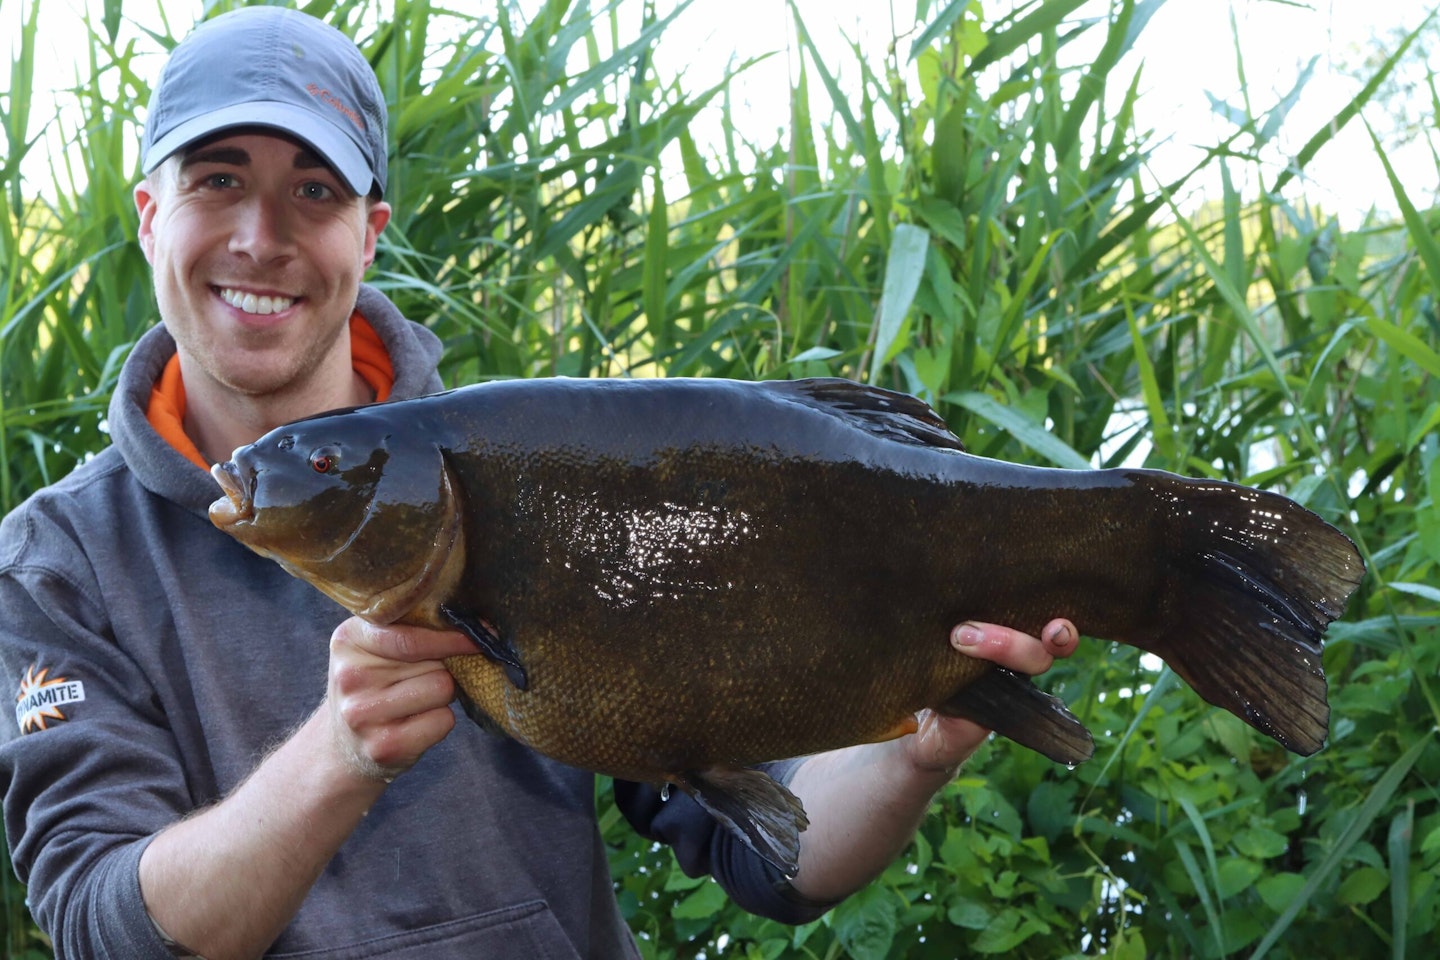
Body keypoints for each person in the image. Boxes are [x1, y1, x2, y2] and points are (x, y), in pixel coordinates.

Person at [0, 7, 1077, 959]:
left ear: (369, 235)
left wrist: (916, 747)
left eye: (313, 190)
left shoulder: (540, 475)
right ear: (149, 212)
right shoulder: (58, 564)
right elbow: (103, 929)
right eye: (217, 178)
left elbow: (777, 855)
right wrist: (335, 757)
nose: (260, 236)